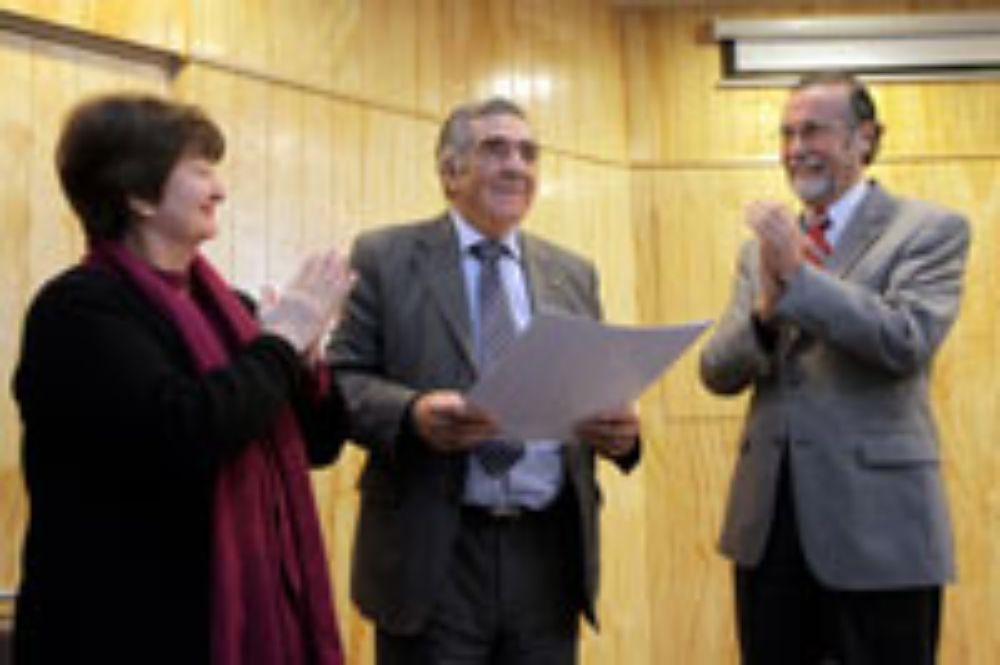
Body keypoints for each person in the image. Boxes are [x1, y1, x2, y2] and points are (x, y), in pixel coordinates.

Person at [12, 93, 353, 665]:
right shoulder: (77, 309)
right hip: (125, 625)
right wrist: (279, 344)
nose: (219, 189)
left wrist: (306, 358)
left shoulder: (232, 309)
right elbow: (185, 431)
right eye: (200, 171)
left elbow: (318, 444)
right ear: (140, 194)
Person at [328, 97, 641, 665]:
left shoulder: (574, 272)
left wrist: (622, 434)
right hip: (434, 558)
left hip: (548, 556)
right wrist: (412, 412)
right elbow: (342, 382)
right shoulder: (384, 257)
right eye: (495, 149)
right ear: (450, 171)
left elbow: (594, 383)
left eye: (528, 153)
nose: (516, 165)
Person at [700, 72, 970, 664]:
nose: (796, 148)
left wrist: (799, 280)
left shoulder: (929, 230)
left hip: (880, 530)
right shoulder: (758, 250)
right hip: (769, 530)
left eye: (814, 131)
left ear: (863, 140)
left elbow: (906, 340)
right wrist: (766, 315)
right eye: (787, 133)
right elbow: (717, 372)